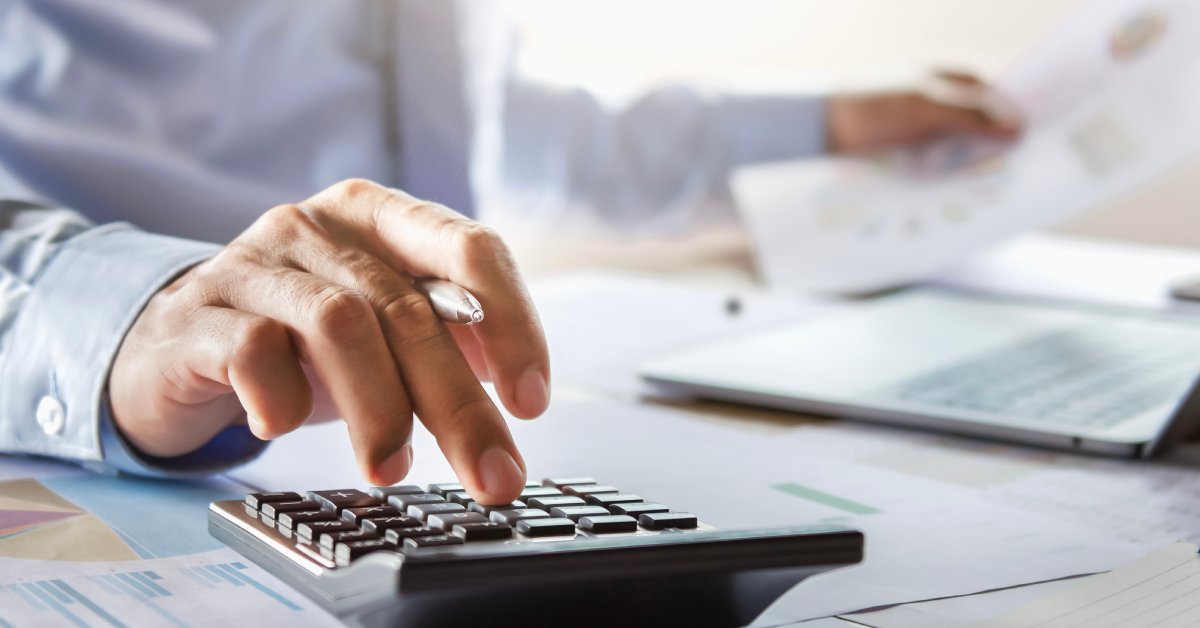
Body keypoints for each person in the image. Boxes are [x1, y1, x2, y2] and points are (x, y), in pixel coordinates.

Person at [0, 1, 1020, 503]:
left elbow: (480, 124)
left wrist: (827, 126)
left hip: (392, 460)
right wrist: (130, 316)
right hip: (93, 445)